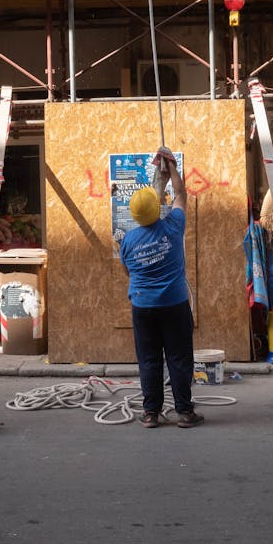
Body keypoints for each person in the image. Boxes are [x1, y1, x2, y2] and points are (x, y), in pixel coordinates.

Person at [119, 146, 204, 429]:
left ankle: (150, 413)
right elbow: (181, 195)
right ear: (158, 209)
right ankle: (185, 412)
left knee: (149, 360)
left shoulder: (128, 241)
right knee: (179, 359)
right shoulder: (173, 225)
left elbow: (127, 271)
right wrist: (173, 168)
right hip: (174, 304)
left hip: (143, 307)